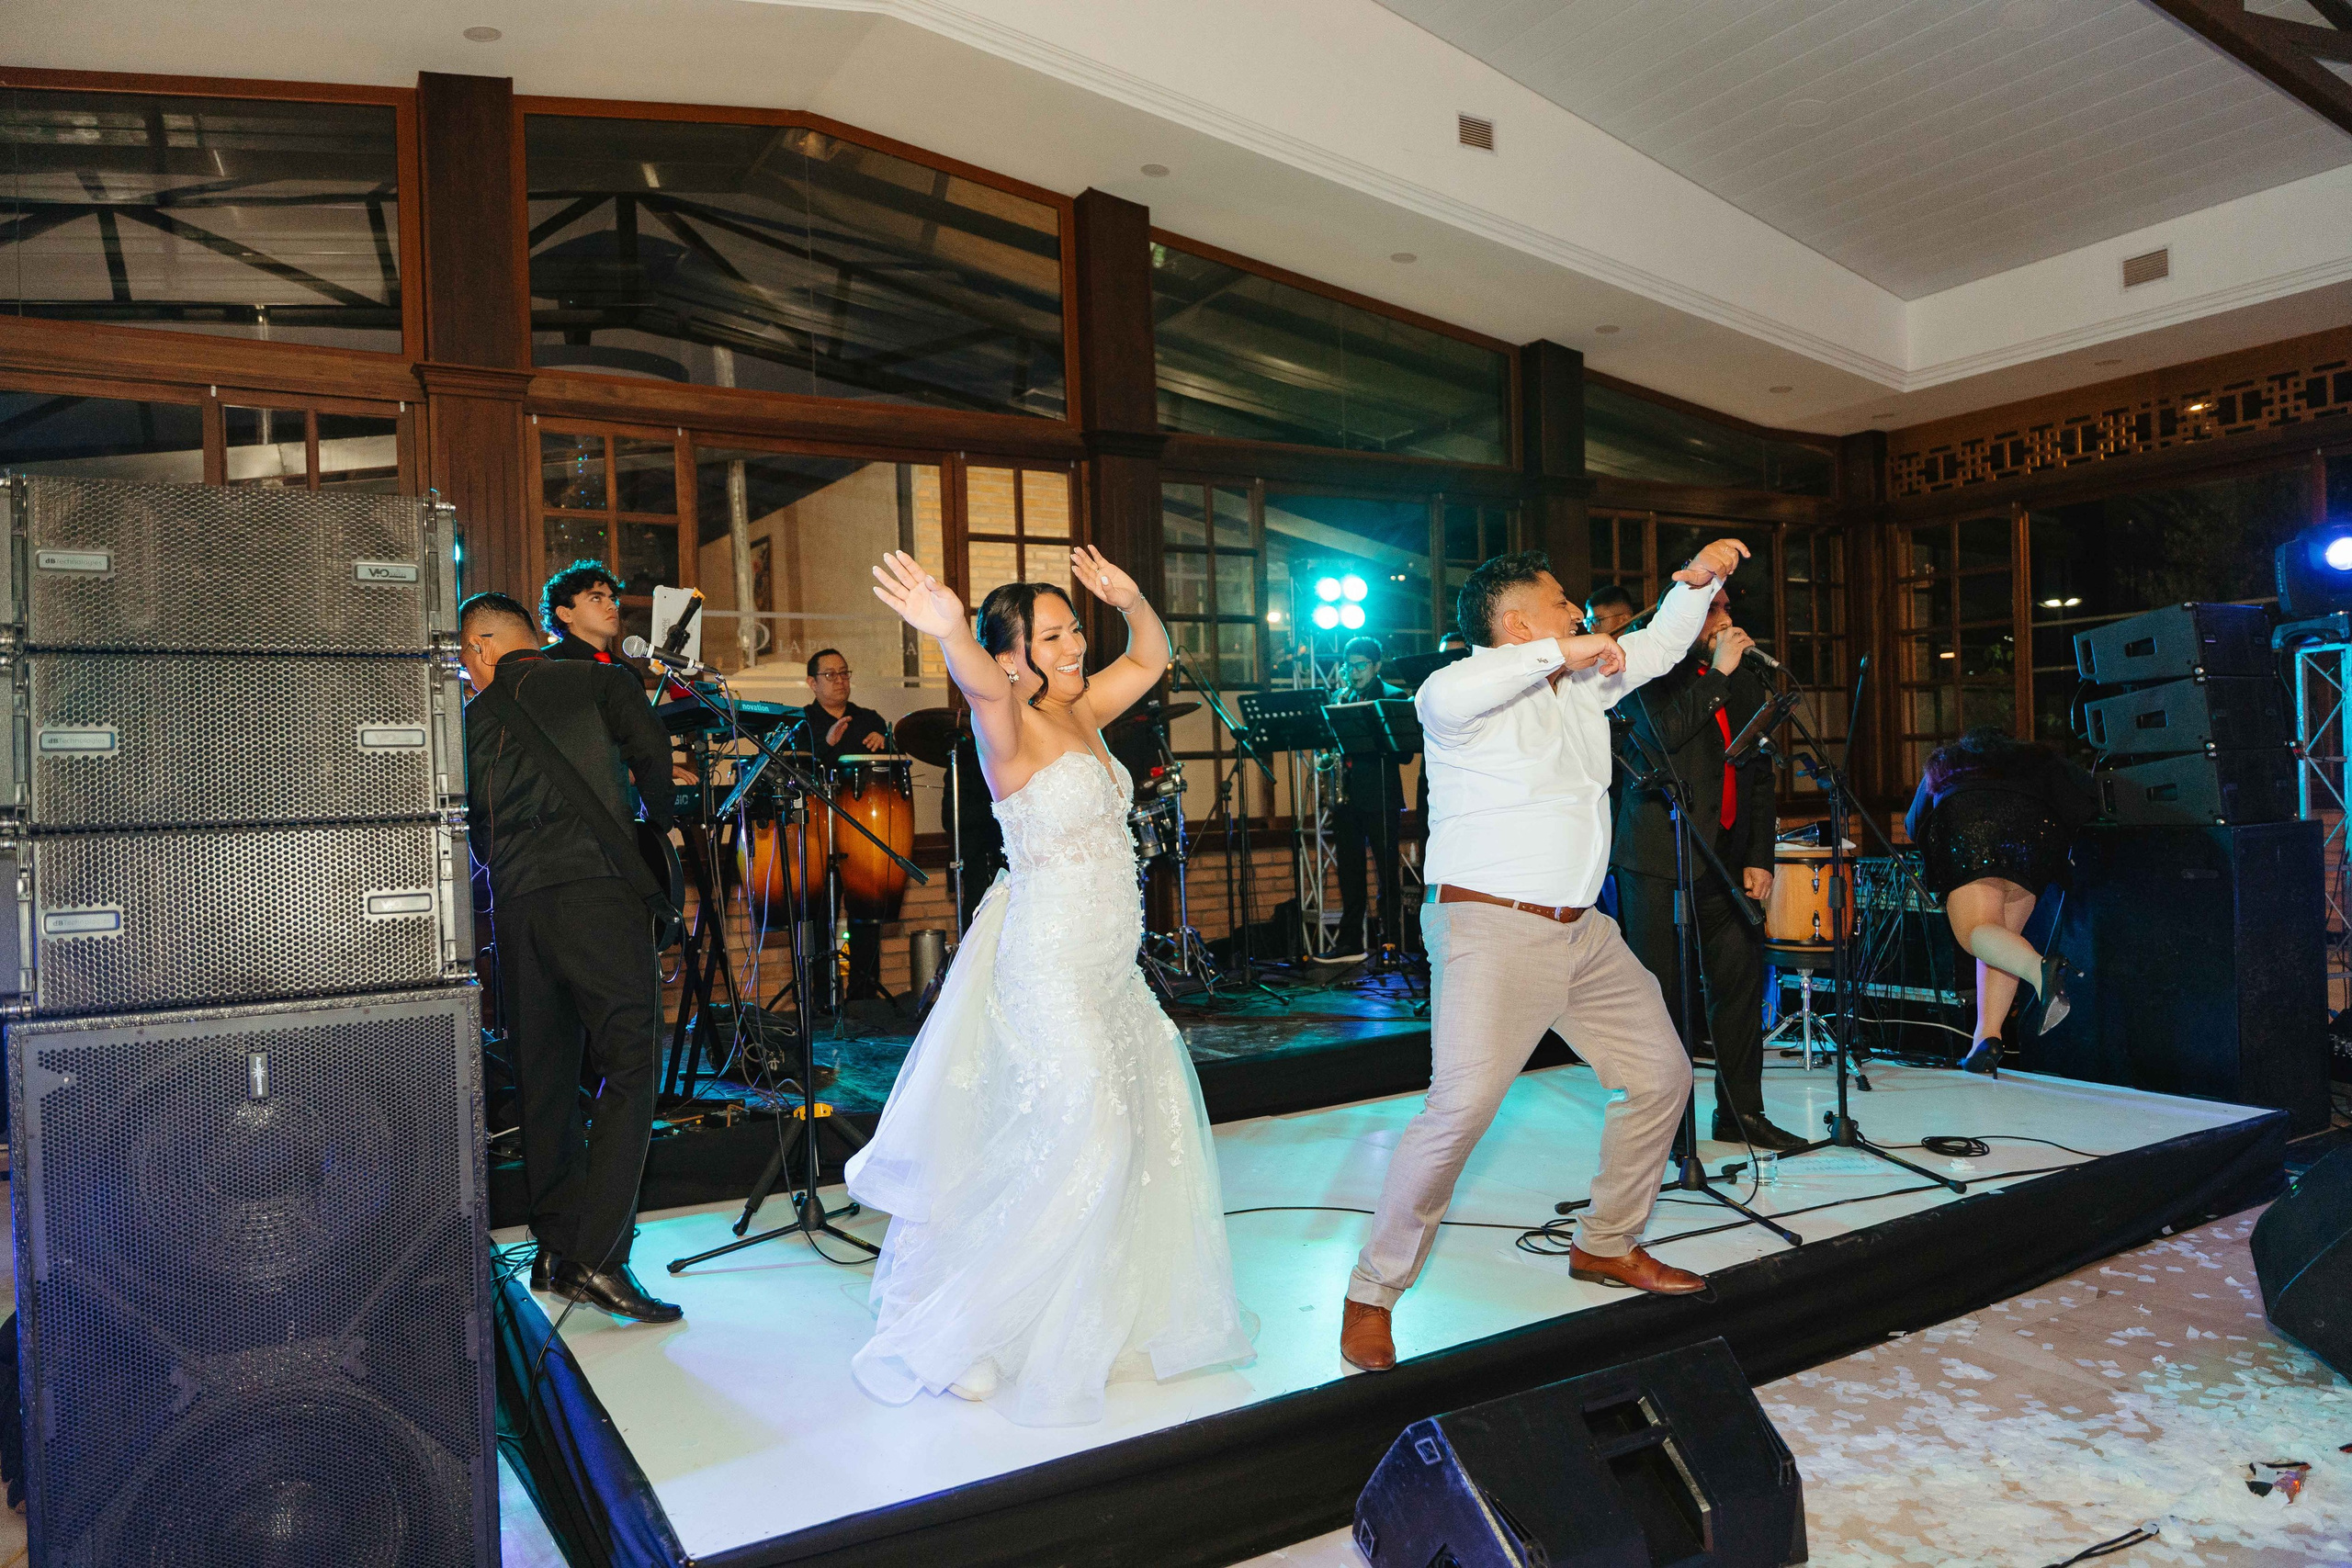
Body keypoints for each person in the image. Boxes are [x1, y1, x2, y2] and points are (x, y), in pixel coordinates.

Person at [847, 546, 1252, 1426]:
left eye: (1076, 629)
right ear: (1013, 654)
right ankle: (963, 1330)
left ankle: (1044, 1318)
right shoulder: (1009, 723)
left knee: (1126, 1129)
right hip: (1050, 965)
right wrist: (950, 626)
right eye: (1058, 634)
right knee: (1089, 1136)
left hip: (1112, 965)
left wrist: (1134, 593)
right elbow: (980, 684)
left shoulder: (1085, 710)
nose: (1075, 646)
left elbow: (1150, 656)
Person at [1340, 540, 1750, 1375]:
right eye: (1562, 601)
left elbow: (1664, 645)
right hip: (1491, 929)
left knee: (1663, 1075)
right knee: (1458, 1112)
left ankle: (1606, 1241)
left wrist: (1695, 585)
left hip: (1582, 931)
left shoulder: (1584, 684)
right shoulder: (1455, 690)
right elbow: (1484, 679)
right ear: (1518, 620)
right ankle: (1372, 1290)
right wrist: (1566, 649)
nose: (1578, 613)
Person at [458, 591, 684, 1325]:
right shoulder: (595, 680)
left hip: (518, 910)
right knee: (631, 1059)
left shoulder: (470, 719)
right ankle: (600, 1253)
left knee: (545, 1075)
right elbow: (652, 754)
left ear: (485, 646)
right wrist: (660, 825)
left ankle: (557, 1248)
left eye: (466, 656)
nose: (465, 669)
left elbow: (472, 827)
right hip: (596, 892)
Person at [1610, 588, 1802, 1153]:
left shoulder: (1740, 676)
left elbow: (1758, 774)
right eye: (1714, 610)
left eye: (1725, 608)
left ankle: (1742, 1113)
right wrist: (1716, 676)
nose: (1726, 619)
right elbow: (1659, 740)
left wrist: (1758, 857)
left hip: (1724, 861)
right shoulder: (1642, 664)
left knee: (1741, 985)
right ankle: (1669, 1125)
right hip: (1657, 863)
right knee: (1663, 997)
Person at [1905, 728, 2100, 1074]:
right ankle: (1985, 1040)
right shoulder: (2038, 761)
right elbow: (2085, 796)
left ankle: (2041, 970)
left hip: (1969, 828)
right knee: (1998, 939)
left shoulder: (1949, 762)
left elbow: (1913, 822)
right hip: (2035, 838)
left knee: (1974, 933)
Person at [801, 648, 894, 1000]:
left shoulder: (868, 718)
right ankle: (823, 999)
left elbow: (897, 763)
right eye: (830, 675)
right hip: (818, 832)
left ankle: (864, 995)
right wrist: (826, 746)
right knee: (822, 912)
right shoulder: (802, 722)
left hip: (863, 830)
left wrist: (886, 743)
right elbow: (796, 774)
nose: (840, 681)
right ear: (812, 683)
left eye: (844, 673)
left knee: (866, 911)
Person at [1327, 635, 1408, 963]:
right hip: (1347, 800)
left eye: (1361, 665)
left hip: (1381, 798)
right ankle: (1350, 943)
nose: (1354, 672)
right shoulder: (1341, 697)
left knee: (1387, 873)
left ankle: (1390, 940)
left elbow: (1403, 755)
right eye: (1350, 666)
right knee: (1349, 872)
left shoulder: (1393, 696)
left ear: (1376, 666)